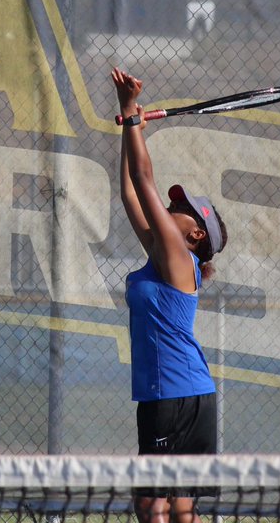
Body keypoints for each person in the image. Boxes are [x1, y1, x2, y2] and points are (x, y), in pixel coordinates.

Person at [112, 67, 228, 523]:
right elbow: (128, 192)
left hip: (173, 396)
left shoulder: (180, 259)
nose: (171, 208)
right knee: (179, 508)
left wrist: (130, 114)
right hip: (181, 394)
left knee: (153, 505)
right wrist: (128, 125)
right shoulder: (165, 258)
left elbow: (144, 181)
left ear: (196, 233)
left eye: (179, 209)